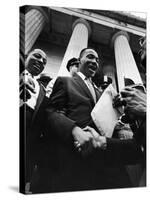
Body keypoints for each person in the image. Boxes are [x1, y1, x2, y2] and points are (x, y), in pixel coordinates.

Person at [44, 48, 143, 193]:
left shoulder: (103, 93)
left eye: (97, 60)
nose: (95, 62)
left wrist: (118, 108)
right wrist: (74, 130)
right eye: (90, 57)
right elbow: (50, 112)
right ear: (79, 61)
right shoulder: (65, 82)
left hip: (107, 162)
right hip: (75, 158)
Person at [20, 49, 49, 194]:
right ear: (26, 56)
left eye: (44, 62)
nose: (40, 62)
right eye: (37, 56)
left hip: (31, 135)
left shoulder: (42, 90)